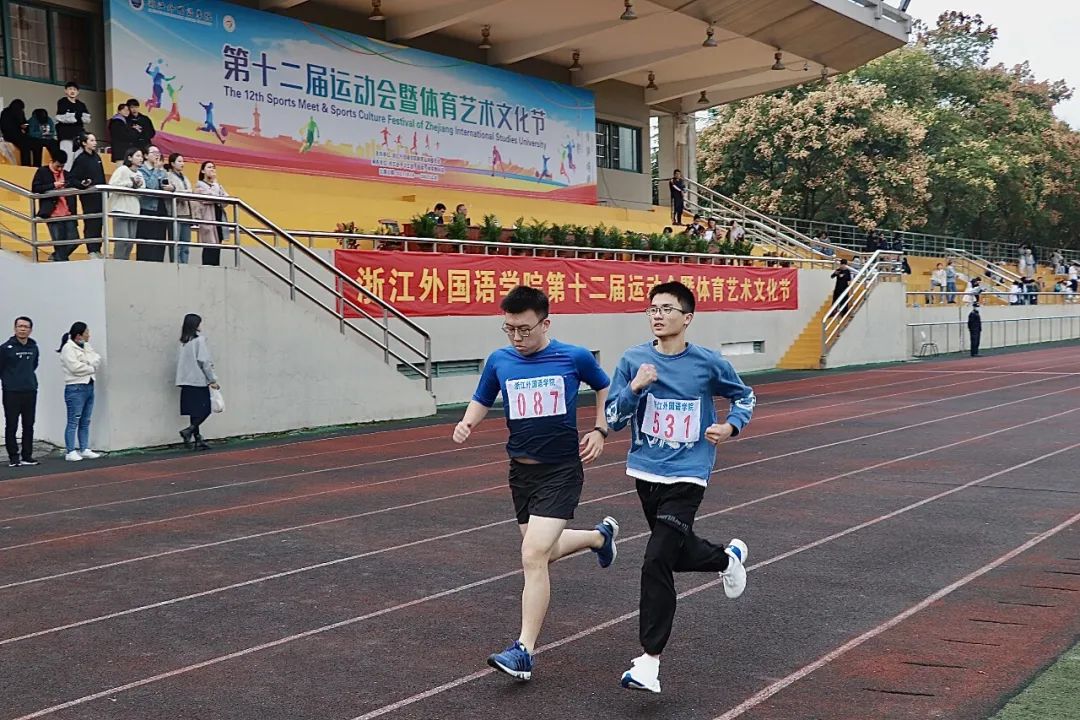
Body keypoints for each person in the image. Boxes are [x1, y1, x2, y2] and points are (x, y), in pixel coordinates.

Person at [451, 286, 618, 681]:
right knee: (545, 550)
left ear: (545, 324)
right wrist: (467, 422)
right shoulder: (500, 360)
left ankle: (523, 650)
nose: (516, 337)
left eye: (524, 329)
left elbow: (604, 386)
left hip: (562, 470)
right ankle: (598, 537)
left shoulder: (574, 357)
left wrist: (600, 429)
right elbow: (482, 397)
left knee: (532, 555)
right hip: (521, 472)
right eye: (509, 329)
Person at [605, 281, 755, 694]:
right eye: (653, 308)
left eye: (667, 308)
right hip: (647, 473)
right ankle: (726, 559)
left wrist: (730, 427)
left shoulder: (708, 363)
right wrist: (635, 388)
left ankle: (649, 662)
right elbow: (613, 418)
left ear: (687, 318)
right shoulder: (633, 360)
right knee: (676, 552)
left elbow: (745, 397)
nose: (658, 315)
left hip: (689, 474)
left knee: (655, 559)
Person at [58, 322, 102, 462]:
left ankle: (84, 448)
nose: (89, 335)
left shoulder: (86, 346)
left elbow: (97, 358)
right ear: (79, 335)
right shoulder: (68, 348)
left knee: (85, 420)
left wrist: (89, 364)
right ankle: (70, 451)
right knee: (73, 420)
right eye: (86, 332)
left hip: (89, 385)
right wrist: (90, 367)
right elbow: (75, 368)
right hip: (75, 388)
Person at [0, 317, 40, 467]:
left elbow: (34, 365)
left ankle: (27, 456)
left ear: (30, 330)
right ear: (15, 328)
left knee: (29, 424)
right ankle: (13, 457)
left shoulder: (33, 347)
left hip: (30, 390)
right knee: (12, 424)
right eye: (20, 326)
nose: (22, 329)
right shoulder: (6, 348)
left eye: (26, 327)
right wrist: (10, 381)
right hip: (12, 392)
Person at [176, 313, 219, 451]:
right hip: (198, 380)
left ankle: (197, 438)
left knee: (194, 411)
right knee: (205, 409)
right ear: (195, 325)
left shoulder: (184, 342)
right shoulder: (199, 341)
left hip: (186, 380)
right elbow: (204, 362)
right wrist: (212, 379)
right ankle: (189, 430)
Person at [31, 150, 79, 262]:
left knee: (74, 240)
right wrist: (53, 185)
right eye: (58, 166)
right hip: (52, 213)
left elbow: (75, 183)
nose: (60, 169)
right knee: (59, 244)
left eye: (62, 166)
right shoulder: (42, 171)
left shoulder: (66, 174)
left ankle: (56, 257)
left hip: (68, 213)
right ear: (52, 161)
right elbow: (35, 188)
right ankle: (60, 260)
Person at [68, 133, 107, 257]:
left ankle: (98, 249)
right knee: (91, 222)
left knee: (100, 222)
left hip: (99, 195)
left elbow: (101, 176)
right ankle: (91, 249)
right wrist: (82, 184)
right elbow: (72, 178)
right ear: (84, 143)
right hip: (89, 196)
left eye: (95, 140)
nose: (95, 143)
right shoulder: (81, 159)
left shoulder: (97, 157)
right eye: (91, 140)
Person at [56, 82, 90, 170]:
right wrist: (76, 117)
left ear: (78, 92)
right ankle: (65, 176)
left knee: (79, 159)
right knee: (67, 160)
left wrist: (74, 116)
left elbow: (87, 119)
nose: (72, 91)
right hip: (66, 135)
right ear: (65, 91)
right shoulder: (62, 102)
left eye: (74, 89)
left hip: (78, 136)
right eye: (70, 89)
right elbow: (60, 117)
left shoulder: (81, 104)